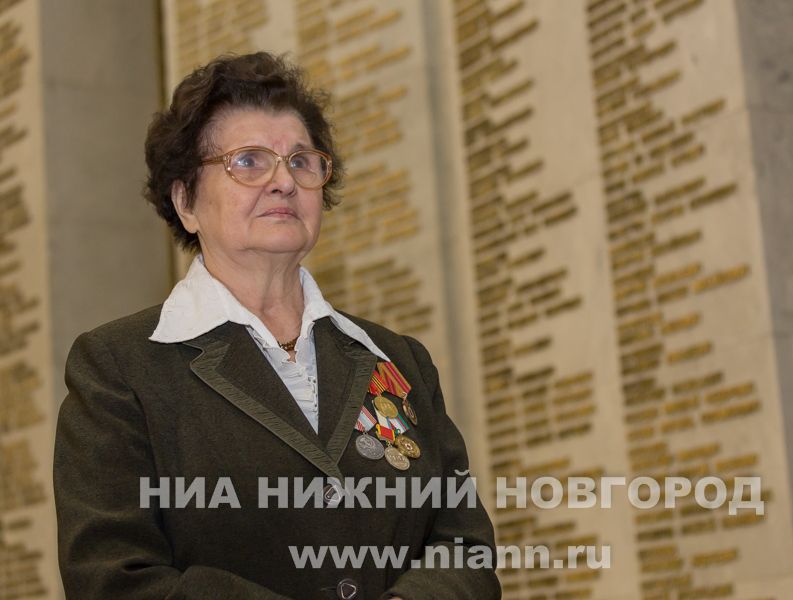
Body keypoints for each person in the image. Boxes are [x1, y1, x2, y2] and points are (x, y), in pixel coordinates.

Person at [53, 52, 501, 600]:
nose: (283, 181)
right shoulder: (119, 369)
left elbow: (464, 546)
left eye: (301, 161)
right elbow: (114, 577)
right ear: (186, 201)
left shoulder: (400, 361)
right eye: (248, 161)